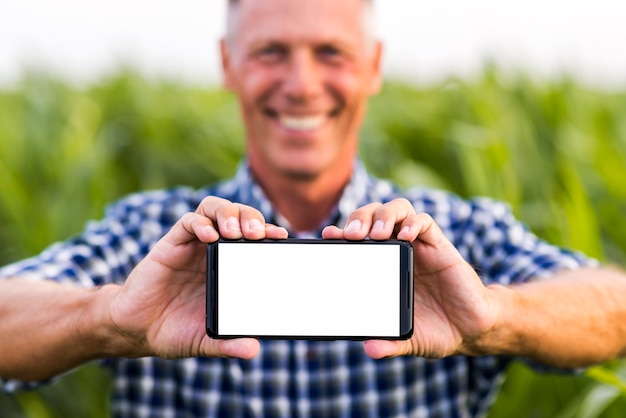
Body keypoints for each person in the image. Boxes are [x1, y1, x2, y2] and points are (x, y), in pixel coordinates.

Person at [1, 0, 626, 416]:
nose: (301, 83)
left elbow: (615, 307)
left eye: (331, 52)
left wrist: (495, 315)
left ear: (373, 66)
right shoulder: (154, 238)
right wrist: (108, 319)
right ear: (229, 64)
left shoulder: (452, 236)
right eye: (272, 51)